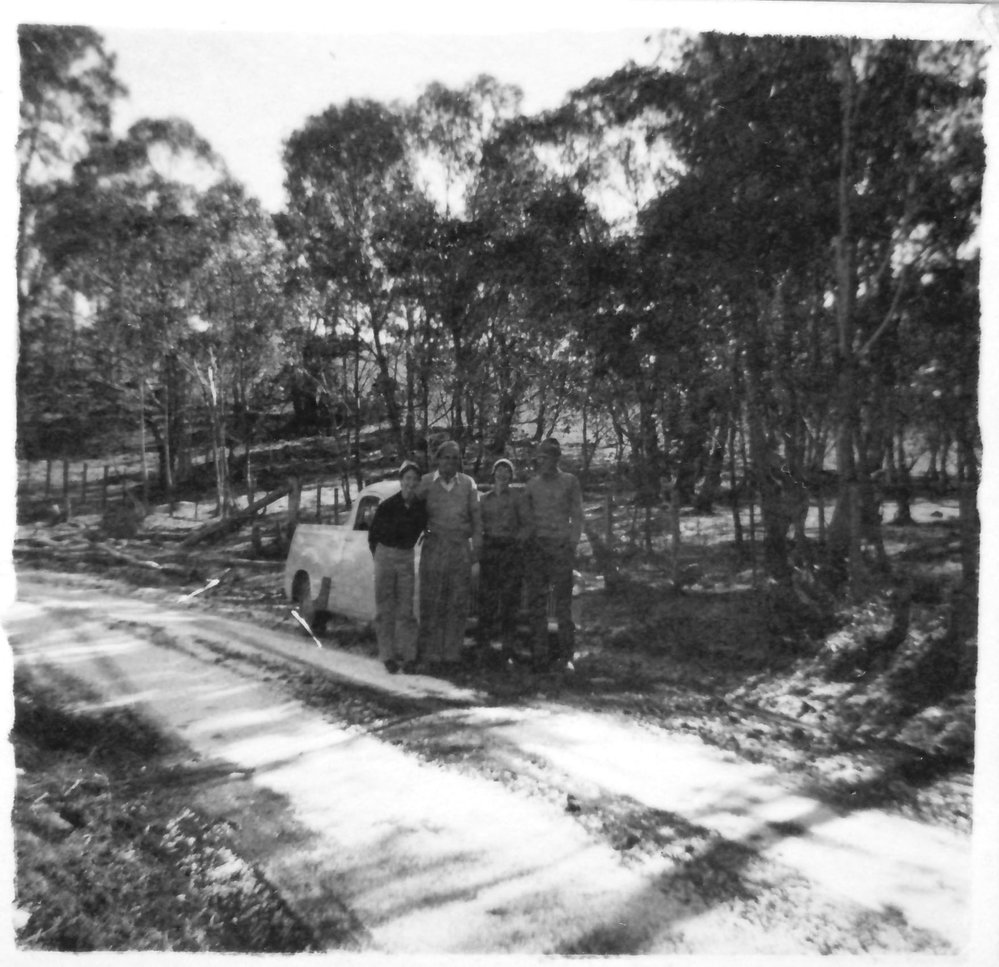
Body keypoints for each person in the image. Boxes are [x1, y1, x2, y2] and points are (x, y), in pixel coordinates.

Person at [416, 440, 483, 670]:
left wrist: (476, 548)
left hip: (459, 548)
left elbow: (477, 518)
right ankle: (431, 655)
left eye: (456, 458)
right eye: (447, 457)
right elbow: (410, 510)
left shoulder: (467, 484)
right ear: (438, 459)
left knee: (457, 602)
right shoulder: (426, 483)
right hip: (434, 548)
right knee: (432, 601)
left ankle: (452, 656)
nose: (451, 462)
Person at [523, 438, 583, 672]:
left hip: (560, 548)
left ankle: (566, 656)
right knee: (537, 604)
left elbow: (577, 515)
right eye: (540, 458)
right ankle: (539, 655)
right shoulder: (532, 485)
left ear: (556, 458)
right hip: (538, 549)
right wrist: (528, 542)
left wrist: (572, 543)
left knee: (563, 604)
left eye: (546, 458)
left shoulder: (569, 482)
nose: (542, 462)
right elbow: (526, 517)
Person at [368, 461, 427, 674]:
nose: (411, 483)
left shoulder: (420, 508)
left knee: (406, 609)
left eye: (415, 479)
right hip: (385, 555)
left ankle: (409, 656)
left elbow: (426, 529)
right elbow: (373, 536)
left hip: (406, 556)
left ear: (418, 483)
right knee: (385, 607)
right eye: (407, 478)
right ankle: (388, 656)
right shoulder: (387, 506)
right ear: (401, 481)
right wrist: (381, 557)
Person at [475, 458, 527, 667]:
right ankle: (483, 647)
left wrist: (517, 543)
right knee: (487, 600)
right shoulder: (484, 499)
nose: (502, 474)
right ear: (493, 474)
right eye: (499, 470)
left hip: (510, 551)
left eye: (507, 471)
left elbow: (526, 524)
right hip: (490, 550)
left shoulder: (517, 498)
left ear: (511, 476)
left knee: (509, 601)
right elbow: (477, 525)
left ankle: (508, 649)